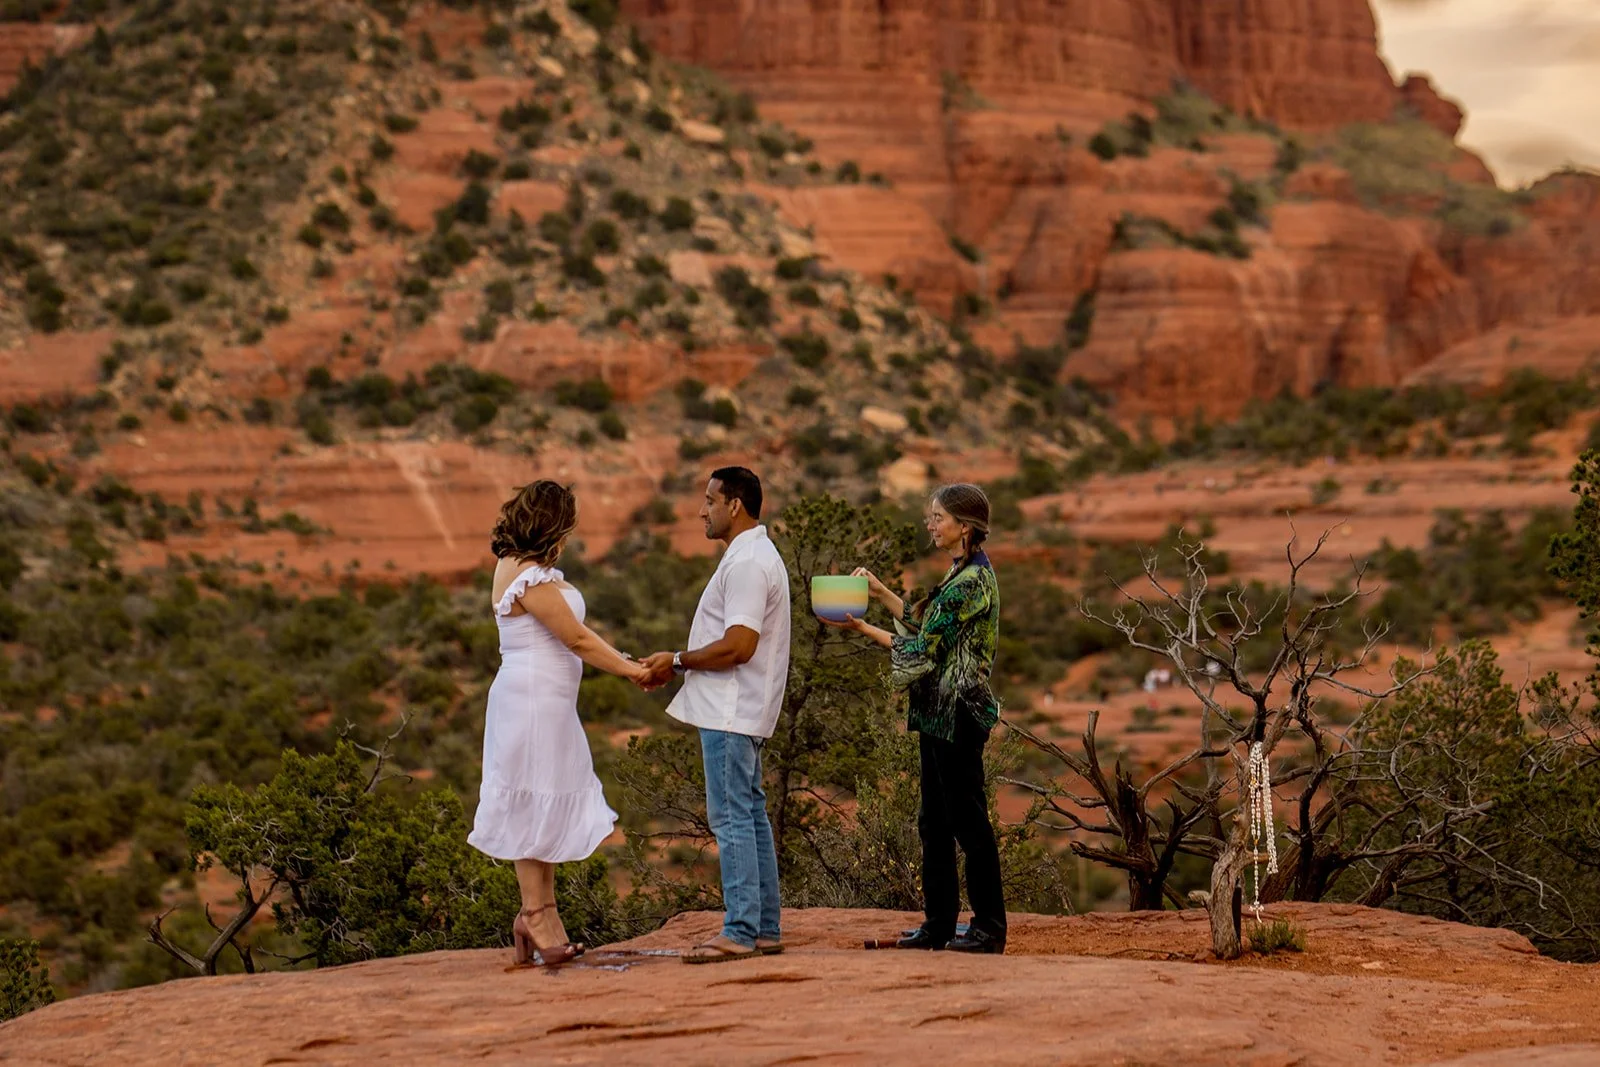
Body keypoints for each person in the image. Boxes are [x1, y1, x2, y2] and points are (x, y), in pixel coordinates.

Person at [468, 480, 657, 967]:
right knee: (533, 800)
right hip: (530, 704)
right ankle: (535, 913)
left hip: (548, 704)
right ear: (554, 524)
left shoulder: (529, 570)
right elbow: (575, 638)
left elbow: (581, 638)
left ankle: (542, 912)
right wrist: (632, 670)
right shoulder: (521, 573)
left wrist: (622, 657)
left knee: (546, 798)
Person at [826, 483, 1007, 954]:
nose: (930, 524)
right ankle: (940, 925)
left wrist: (863, 628)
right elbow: (925, 621)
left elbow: (922, 648)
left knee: (968, 822)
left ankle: (989, 928)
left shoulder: (970, 584)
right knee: (935, 822)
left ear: (964, 527)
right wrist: (881, 591)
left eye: (937, 517)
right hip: (936, 715)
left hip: (959, 715)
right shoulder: (961, 572)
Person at [640, 467, 792, 964]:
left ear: (736, 505)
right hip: (740, 709)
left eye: (709, 500)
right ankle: (764, 928)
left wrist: (678, 660)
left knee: (732, 816)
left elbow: (740, 645)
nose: (701, 510)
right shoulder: (753, 555)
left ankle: (741, 929)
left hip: (730, 710)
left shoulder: (747, 561)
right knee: (749, 813)